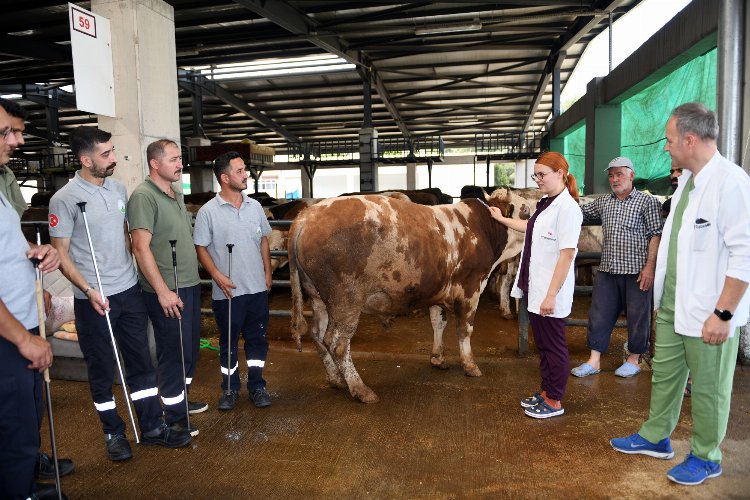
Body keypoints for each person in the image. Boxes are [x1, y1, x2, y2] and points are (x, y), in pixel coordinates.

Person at [611, 103, 750, 486]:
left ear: (690, 139)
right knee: (666, 377)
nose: (667, 148)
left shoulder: (730, 182)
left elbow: (745, 253)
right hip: (673, 305)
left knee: (709, 389)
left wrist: (724, 314)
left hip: (710, 310)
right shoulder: (688, 181)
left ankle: (707, 456)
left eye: (670, 141)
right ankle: (656, 437)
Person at [49, 127, 192, 461]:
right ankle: (113, 431)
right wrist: (87, 290)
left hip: (129, 293)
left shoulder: (117, 189)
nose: (114, 158)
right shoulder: (65, 199)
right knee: (101, 369)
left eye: (113, 151)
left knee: (142, 363)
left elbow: (129, 240)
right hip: (94, 300)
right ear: (86, 160)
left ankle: (153, 427)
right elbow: (61, 254)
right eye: (106, 154)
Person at [0, 98, 76, 482]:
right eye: (6, 132)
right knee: (13, 430)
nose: (16, 141)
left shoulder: (1, 186)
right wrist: (23, 339)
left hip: (21, 323)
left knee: (25, 421)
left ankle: (27, 477)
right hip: (8, 335)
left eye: (18, 132)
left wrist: (34, 252)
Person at [489, 151, 582, 419]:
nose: (537, 179)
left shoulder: (568, 209)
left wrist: (551, 295)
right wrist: (501, 219)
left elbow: (567, 254)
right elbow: (530, 226)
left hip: (550, 291)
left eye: (542, 174)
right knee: (543, 345)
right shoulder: (546, 202)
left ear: (560, 174)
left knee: (554, 346)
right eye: (536, 175)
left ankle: (554, 400)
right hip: (536, 286)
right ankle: (546, 391)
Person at [129, 139, 207, 436]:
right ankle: (174, 418)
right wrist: (162, 291)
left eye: (180, 158)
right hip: (165, 289)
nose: (180, 164)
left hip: (187, 283)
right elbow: (140, 247)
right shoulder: (143, 197)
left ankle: (180, 401)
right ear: (155, 163)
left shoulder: (173, 193)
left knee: (188, 350)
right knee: (173, 353)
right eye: (174, 159)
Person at [194, 152, 273, 410]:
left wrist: (268, 271)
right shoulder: (208, 212)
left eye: (244, 170)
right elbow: (201, 248)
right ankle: (229, 389)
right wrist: (216, 275)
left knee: (257, 341)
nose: (245, 174)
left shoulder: (255, 207)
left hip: (257, 289)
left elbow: (263, 240)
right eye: (239, 171)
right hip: (226, 293)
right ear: (225, 178)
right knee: (228, 344)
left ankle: (257, 386)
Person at [571, 156, 662, 378]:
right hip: (608, 269)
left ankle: (633, 360)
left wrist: (650, 267)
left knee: (637, 316)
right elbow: (577, 213)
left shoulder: (646, 202)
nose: (614, 179)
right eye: (611, 175)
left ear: (631, 175)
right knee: (599, 315)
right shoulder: (604, 202)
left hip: (637, 271)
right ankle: (594, 361)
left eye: (619, 174)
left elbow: (655, 235)